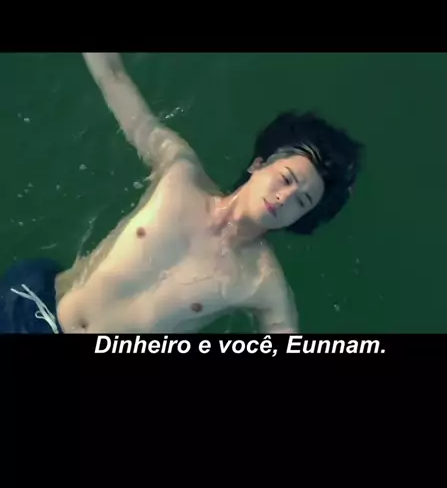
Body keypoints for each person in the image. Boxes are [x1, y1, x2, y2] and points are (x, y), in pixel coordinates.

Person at [0, 52, 363, 335]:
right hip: (34, 304)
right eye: (286, 179)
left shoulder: (262, 284)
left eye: (302, 201)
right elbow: (115, 81)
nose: (285, 198)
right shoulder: (179, 174)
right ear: (259, 164)